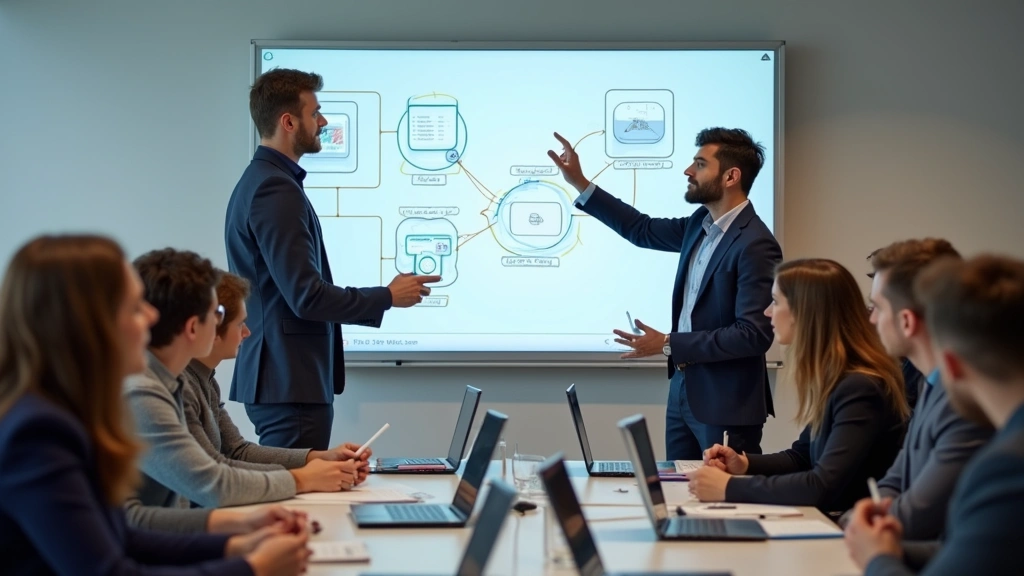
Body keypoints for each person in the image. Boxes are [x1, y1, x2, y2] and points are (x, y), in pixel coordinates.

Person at [0, 234, 309, 575]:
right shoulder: (38, 433)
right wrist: (252, 567)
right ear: (88, 325)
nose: (150, 317)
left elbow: (122, 536)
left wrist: (235, 542)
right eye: (134, 307)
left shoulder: (67, 412)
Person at [225, 68, 441, 449]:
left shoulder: (265, 180)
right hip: (289, 384)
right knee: (296, 500)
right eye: (316, 113)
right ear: (288, 122)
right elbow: (306, 296)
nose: (323, 122)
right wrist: (387, 296)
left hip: (285, 381)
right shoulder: (274, 188)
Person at [547, 128, 782, 459]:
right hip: (683, 391)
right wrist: (581, 184)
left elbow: (753, 335)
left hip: (725, 404)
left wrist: (669, 343)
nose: (688, 171)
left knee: (722, 501)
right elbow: (640, 229)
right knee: (676, 493)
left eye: (700, 164)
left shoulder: (756, 244)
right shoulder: (699, 224)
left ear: (731, 176)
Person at [124, 249, 364, 532]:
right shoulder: (143, 393)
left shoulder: (172, 382)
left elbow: (229, 457)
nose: (245, 331)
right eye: (219, 314)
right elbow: (213, 484)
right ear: (193, 327)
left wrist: (311, 463)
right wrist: (304, 478)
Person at [845, 255, 1024, 575]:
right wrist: (884, 547)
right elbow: (969, 549)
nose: (870, 320)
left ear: (952, 367)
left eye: (877, 308)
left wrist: (877, 559)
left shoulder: (1008, 466)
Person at [687, 259, 908, 515]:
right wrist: (743, 464)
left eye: (776, 301)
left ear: (805, 312)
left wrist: (729, 488)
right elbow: (802, 457)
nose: (767, 312)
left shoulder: (859, 387)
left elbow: (821, 485)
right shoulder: (838, 377)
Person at [838, 239, 991, 539]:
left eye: (876, 307)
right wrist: (861, 514)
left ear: (907, 321)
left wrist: (858, 523)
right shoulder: (928, 383)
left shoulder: (964, 403)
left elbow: (918, 516)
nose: (871, 319)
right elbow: (896, 478)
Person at [182, 271, 371, 482]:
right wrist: (304, 478)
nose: (247, 332)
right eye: (239, 324)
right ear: (211, 329)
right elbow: (214, 477)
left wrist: (319, 458)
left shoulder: (205, 380)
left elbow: (237, 451)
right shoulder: (182, 389)